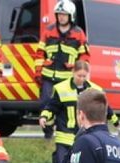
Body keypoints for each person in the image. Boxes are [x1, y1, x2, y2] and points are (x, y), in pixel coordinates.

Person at [39, 60, 116, 163]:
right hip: (65, 136)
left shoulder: (94, 90)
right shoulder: (62, 88)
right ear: (73, 72)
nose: (81, 79)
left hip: (85, 136)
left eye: (84, 76)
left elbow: (105, 109)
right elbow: (52, 107)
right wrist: (44, 116)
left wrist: (116, 121)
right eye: (79, 75)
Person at [34, 0, 87, 139]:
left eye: (64, 15)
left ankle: (70, 133)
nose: (61, 17)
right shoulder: (49, 31)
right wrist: (38, 72)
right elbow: (40, 53)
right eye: (59, 14)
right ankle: (48, 132)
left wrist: (80, 74)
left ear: (71, 16)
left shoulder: (78, 33)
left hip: (67, 78)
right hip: (48, 76)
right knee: (46, 102)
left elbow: (84, 56)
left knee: (68, 106)